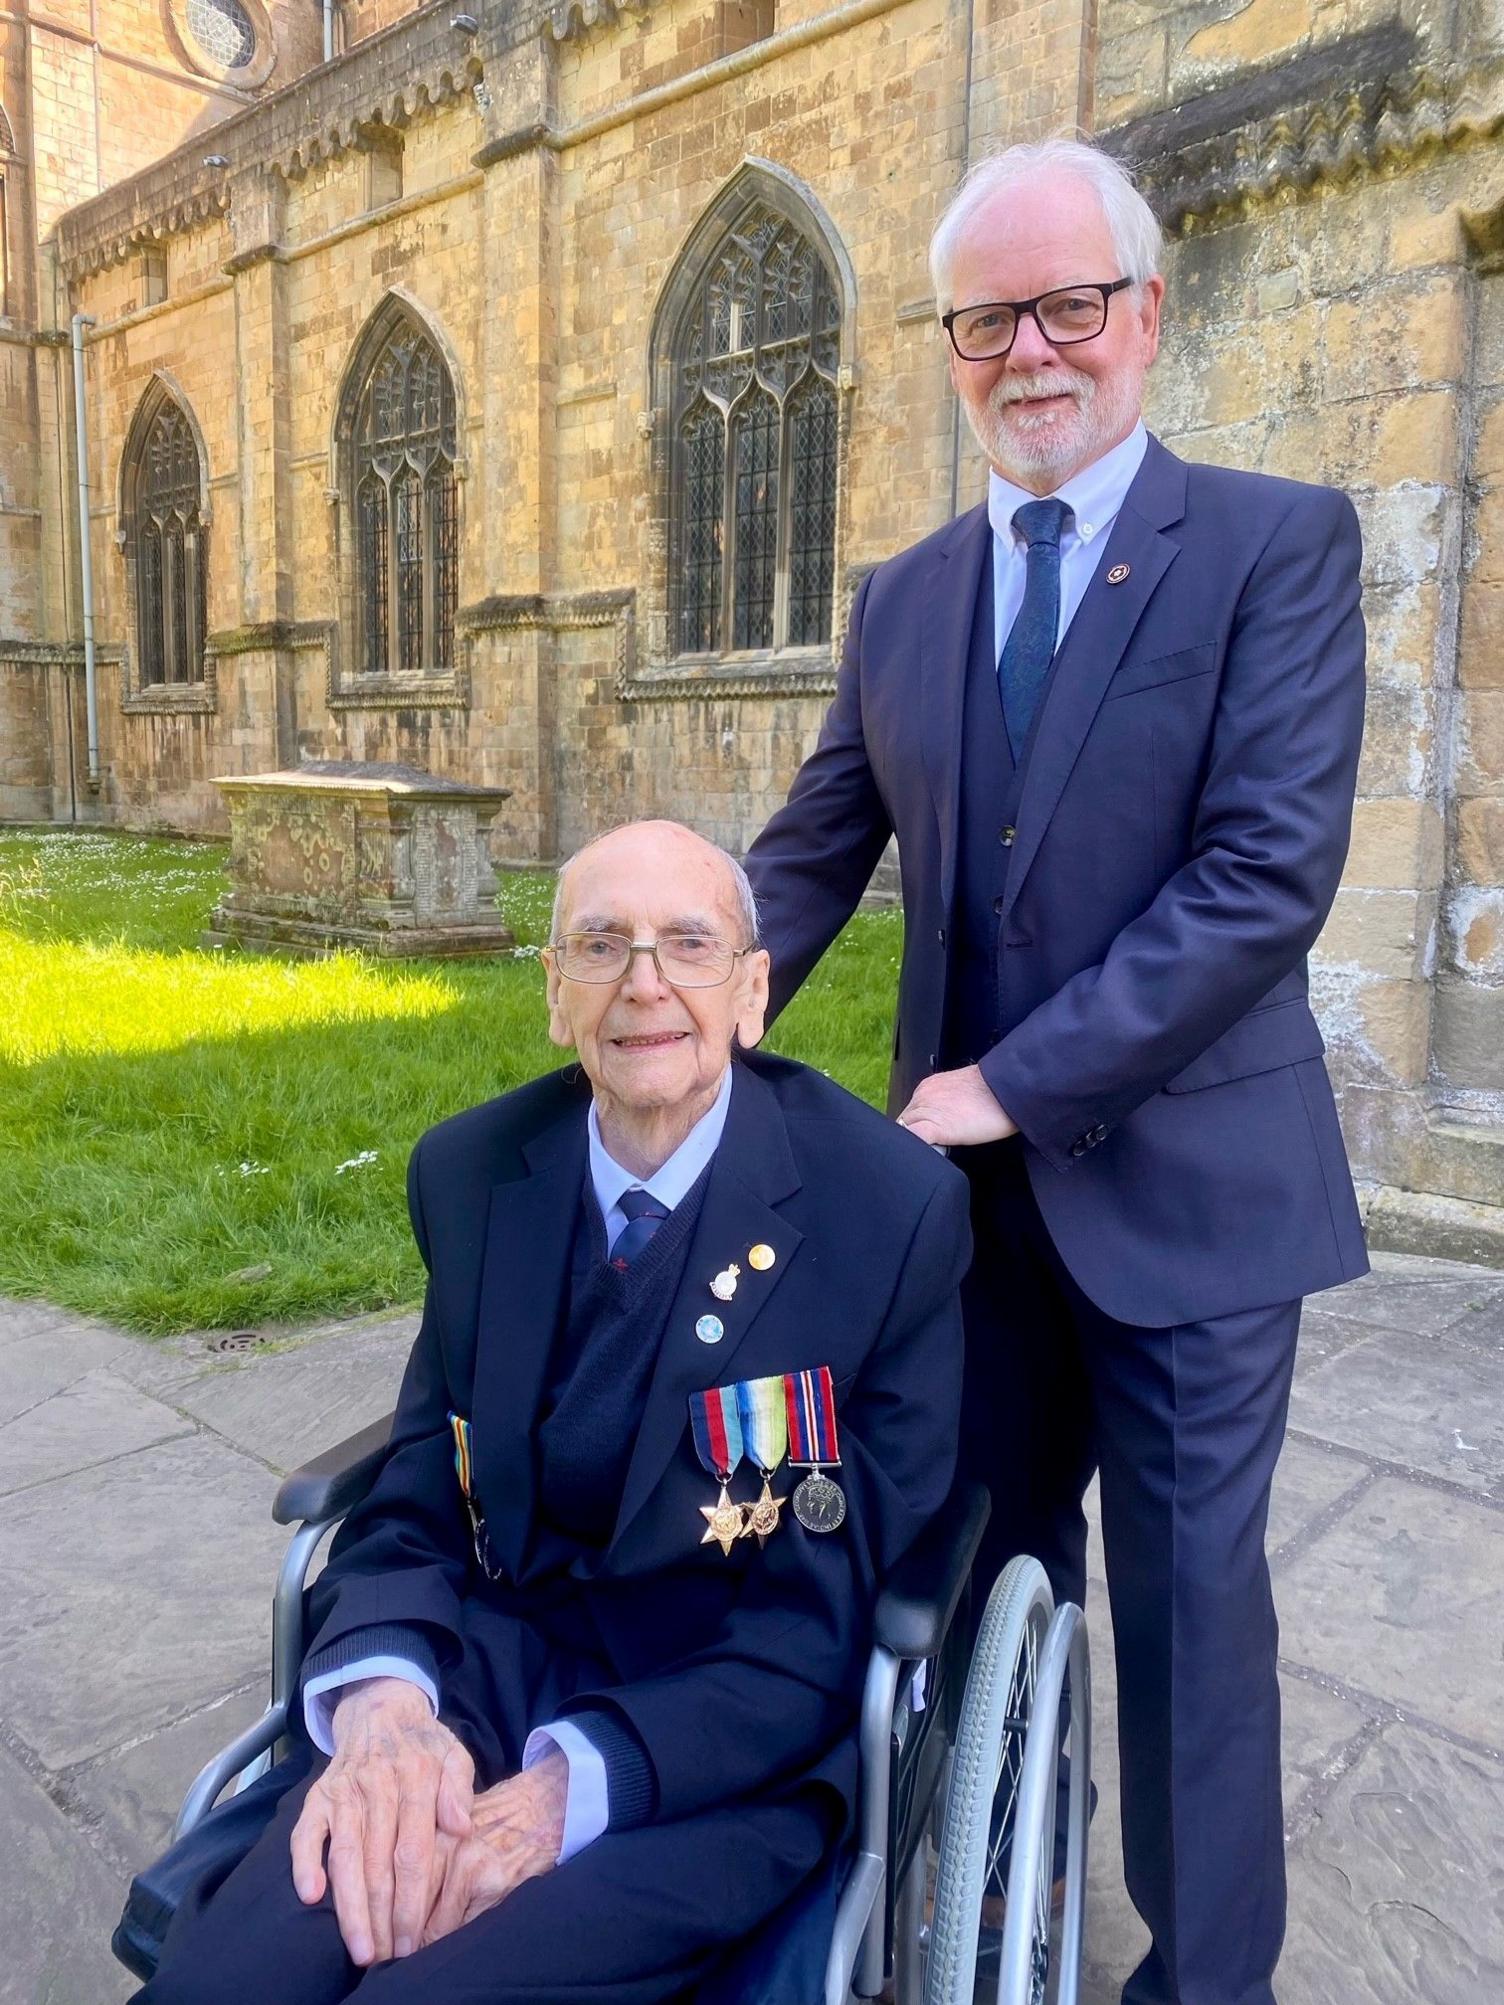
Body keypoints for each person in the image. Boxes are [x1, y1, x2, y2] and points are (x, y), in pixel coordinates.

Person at [745, 138, 1368, 2005]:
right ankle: (987, 1913)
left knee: (1184, 1625)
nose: (1028, 350)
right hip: (961, 1220)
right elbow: (811, 846)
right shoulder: (902, 592)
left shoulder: (1271, 545)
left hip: (1188, 1199)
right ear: (949, 346)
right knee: (971, 1573)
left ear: (1142, 316)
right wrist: (690, 982)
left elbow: (1261, 880)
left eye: (1065, 304)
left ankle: (1203, 1981)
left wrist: (1006, 1083)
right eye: (982, 319)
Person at [137, 819, 967, 2005]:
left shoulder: (887, 1218)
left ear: (750, 991)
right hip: (480, 1670)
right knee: (234, 1978)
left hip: (710, 1748)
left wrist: (566, 1789)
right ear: (553, 990)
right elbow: (420, 1494)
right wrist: (383, 1716)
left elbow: (816, 1629)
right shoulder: (478, 1175)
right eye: (600, 943)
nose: (643, 983)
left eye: (688, 942)